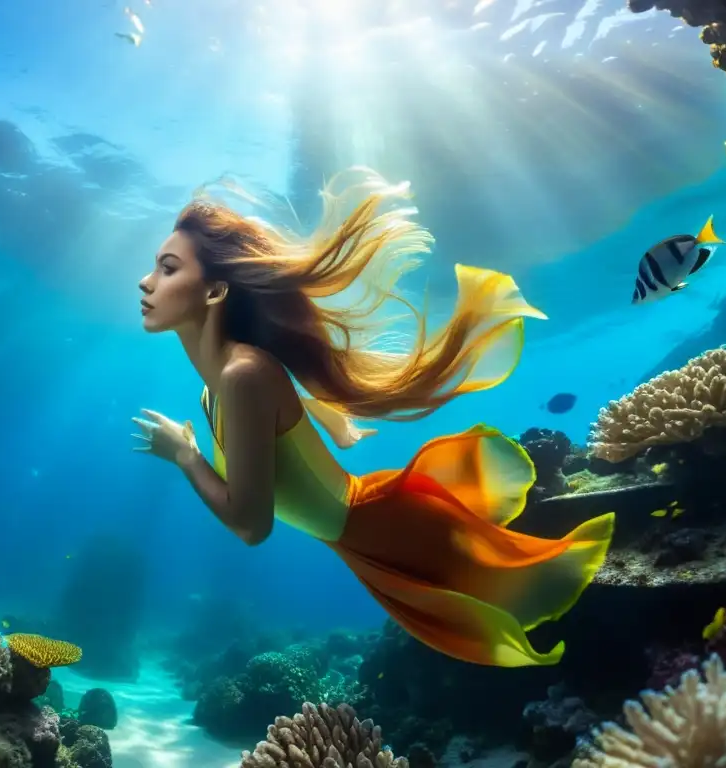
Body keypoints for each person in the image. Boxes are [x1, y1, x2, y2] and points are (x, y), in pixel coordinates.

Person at [132, 168, 614, 668]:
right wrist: (334, 418)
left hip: (378, 527)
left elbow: (253, 527)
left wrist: (186, 457)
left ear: (213, 292)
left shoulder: (240, 375)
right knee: (506, 588)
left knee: (524, 579)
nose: (147, 282)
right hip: (361, 530)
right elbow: (281, 402)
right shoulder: (226, 383)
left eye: (168, 268)